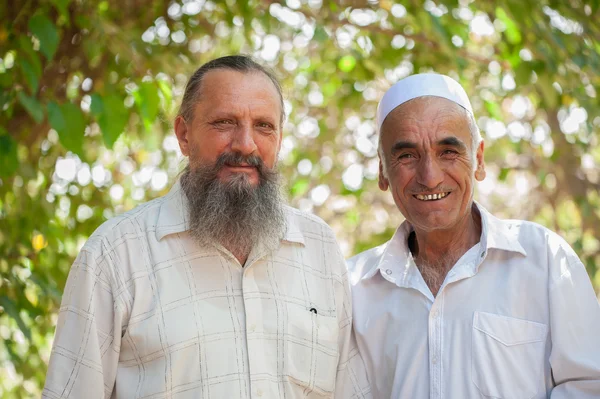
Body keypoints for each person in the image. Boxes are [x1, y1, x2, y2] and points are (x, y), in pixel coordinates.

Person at [43, 55, 371, 399]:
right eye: (224, 123)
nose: (246, 144)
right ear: (184, 135)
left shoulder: (319, 247)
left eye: (263, 126)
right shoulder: (115, 254)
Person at [348, 73, 600, 398]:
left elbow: (590, 385)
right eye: (407, 156)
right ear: (382, 171)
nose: (430, 177)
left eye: (448, 152)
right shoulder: (355, 288)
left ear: (478, 159)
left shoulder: (545, 260)